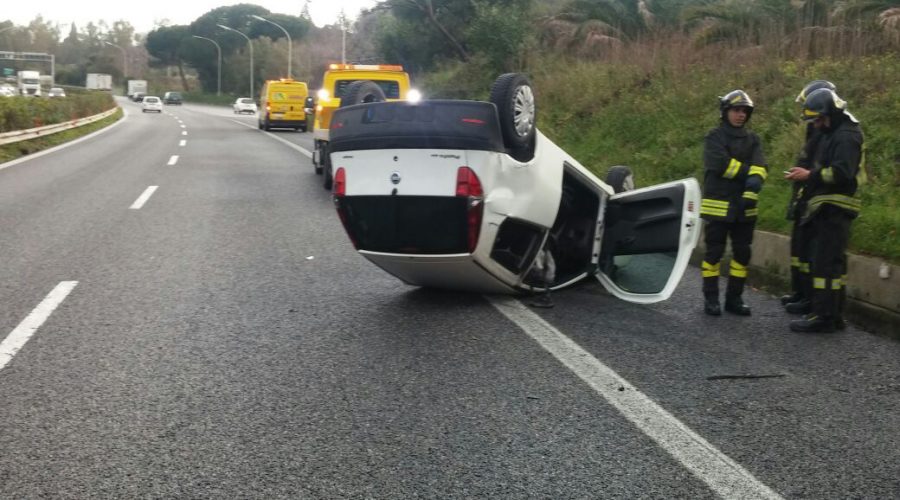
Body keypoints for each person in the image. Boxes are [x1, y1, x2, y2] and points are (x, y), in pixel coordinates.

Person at [786, 88, 863, 333]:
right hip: (827, 206)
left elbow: (841, 173)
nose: (816, 125)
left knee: (826, 266)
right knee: (830, 265)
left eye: (818, 119)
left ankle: (824, 317)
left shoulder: (846, 136)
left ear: (829, 112)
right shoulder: (833, 131)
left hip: (836, 207)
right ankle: (832, 314)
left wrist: (810, 175)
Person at [700, 90, 768, 316]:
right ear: (725, 112)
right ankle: (711, 299)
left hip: (745, 209)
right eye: (736, 110)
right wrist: (749, 173)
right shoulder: (714, 137)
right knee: (713, 254)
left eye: (744, 111)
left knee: (742, 255)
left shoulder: (753, 140)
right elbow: (720, 165)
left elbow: (761, 169)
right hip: (718, 206)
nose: (741, 115)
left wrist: (754, 177)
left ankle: (734, 299)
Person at [781, 80, 837, 314]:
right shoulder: (815, 128)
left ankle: (810, 300)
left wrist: (807, 179)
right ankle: (801, 292)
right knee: (799, 251)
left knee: (812, 255)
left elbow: (822, 166)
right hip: (805, 193)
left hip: (817, 196)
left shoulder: (828, 131)